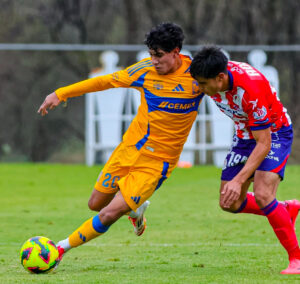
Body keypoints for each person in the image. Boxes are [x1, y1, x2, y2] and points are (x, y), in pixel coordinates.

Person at [37, 22, 204, 266]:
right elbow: (104, 81)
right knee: (96, 204)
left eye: (159, 55)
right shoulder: (144, 71)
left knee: (108, 214)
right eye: (151, 55)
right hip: (129, 150)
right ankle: (136, 209)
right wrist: (61, 93)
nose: (154, 61)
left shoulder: (197, 76)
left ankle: (59, 249)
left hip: (157, 163)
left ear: (176, 52)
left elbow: (228, 86)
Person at [190, 45, 300, 274]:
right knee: (229, 203)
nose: (199, 88)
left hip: (274, 133)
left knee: (262, 194)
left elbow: (264, 142)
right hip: (244, 136)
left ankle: (296, 259)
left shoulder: (250, 90)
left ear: (220, 78)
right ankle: (284, 209)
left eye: (202, 84)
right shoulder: (211, 74)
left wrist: (239, 179)